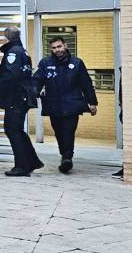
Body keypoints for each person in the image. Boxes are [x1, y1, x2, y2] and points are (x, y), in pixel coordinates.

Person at [33, 37, 98, 175]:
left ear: (65, 46)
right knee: (58, 132)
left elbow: (86, 83)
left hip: (72, 104)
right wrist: (31, 96)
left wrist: (92, 102)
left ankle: (67, 158)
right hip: (53, 104)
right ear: (51, 49)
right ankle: (64, 155)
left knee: (68, 131)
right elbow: (37, 81)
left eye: (59, 46)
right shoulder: (45, 63)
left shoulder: (77, 63)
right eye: (54, 48)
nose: (57, 50)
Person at [0, 26, 42, 177]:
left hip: (15, 97)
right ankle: (32, 161)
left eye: (3, 37)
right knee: (17, 130)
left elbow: (10, 76)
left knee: (12, 130)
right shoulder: (22, 51)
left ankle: (22, 166)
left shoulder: (13, 52)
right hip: (21, 96)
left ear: (7, 38)